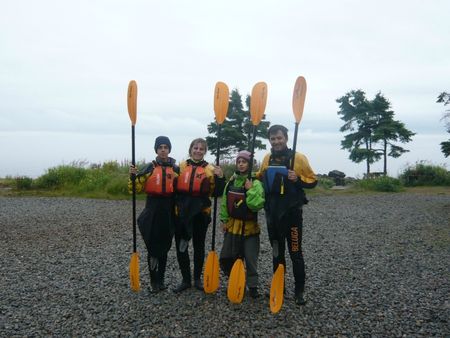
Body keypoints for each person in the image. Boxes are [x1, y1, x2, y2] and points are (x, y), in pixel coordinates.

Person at [257, 125, 317, 305]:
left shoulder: (298, 158)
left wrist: (297, 179)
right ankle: (279, 287)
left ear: (286, 138)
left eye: (279, 138)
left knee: (295, 252)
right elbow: (260, 177)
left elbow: (313, 181)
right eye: (273, 139)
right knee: (277, 252)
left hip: (292, 214)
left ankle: (299, 291)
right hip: (272, 213)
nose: (276, 142)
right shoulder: (267, 158)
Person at [173, 138, 225, 293]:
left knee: (199, 246)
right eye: (195, 148)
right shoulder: (181, 167)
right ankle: (185, 280)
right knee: (181, 245)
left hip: (201, 213)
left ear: (205, 152)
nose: (198, 151)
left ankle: (197, 279)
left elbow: (217, 193)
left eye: (201, 149)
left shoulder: (210, 169)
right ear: (190, 149)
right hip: (182, 212)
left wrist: (220, 177)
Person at [129, 136, 179, 293]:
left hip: (168, 211)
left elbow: (180, 191)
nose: (163, 149)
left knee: (164, 246)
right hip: (153, 209)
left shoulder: (176, 169)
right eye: (160, 147)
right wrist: (132, 177)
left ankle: (161, 280)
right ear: (156, 150)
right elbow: (135, 189)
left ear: (169, 149)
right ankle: (153, 281)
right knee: (153, 246)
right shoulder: (149, 168)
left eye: (166, 147)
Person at [219, 150, 265, 298]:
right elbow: (225, 203)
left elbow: (256, 205)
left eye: (244, 162)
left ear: (250, 164)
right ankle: (235, 281)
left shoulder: (256, 183)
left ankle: (252, 286)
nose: (241, 164)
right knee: (229, 256)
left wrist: (250, 190)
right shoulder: (231, 182)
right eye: (239, 162)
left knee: (250, 258)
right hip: (233, 226)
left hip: (250, 227)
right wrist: (224, 220)